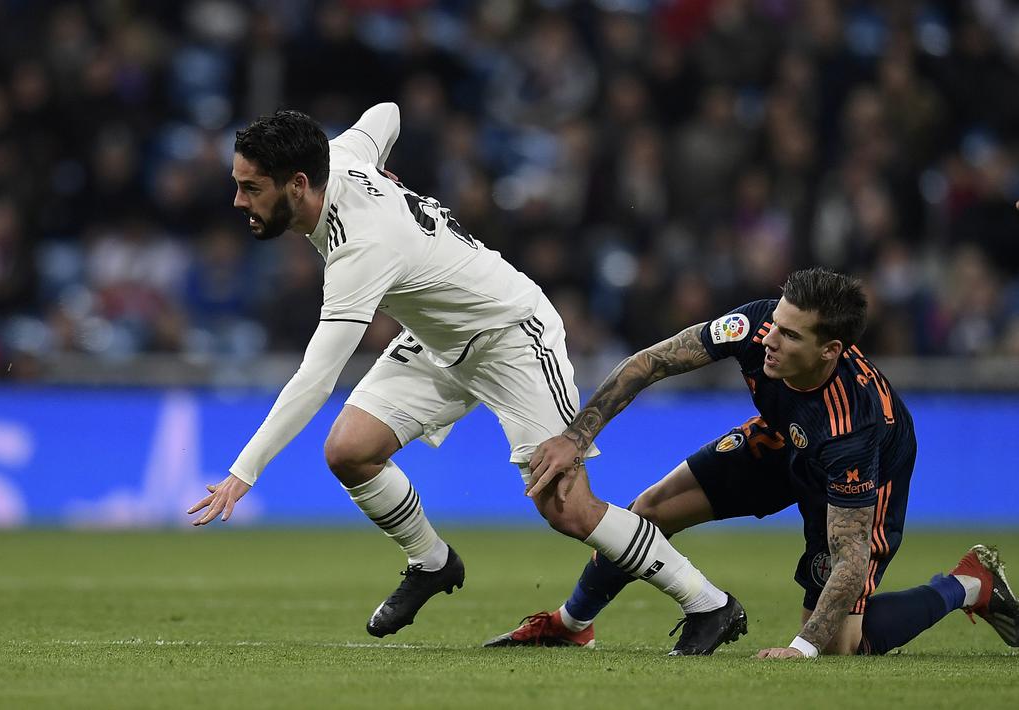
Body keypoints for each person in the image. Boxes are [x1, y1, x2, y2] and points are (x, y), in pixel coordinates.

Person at [186, 103, 747, 654]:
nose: (239, 200)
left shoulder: (361, 245)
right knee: (350, 450)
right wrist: (376, 164)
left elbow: (315, 379)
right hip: (437, 338)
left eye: (251, 188)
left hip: (511, 336)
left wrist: (244, 472)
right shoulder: (344, 155)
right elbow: (386, 112)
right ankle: (430, 563)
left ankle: (708, 603)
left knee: (567, 508)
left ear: (299, 183)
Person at [485, 268, 1019, 657]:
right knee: (650, 509)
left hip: (856, 477)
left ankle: (969, 585)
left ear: (830, 350)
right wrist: (578, 436)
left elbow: (851, 556)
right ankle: (573, 622)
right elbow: (650, 362)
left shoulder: (851, 426)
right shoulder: (755, 325)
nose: (770, 338)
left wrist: (801, 649)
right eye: (776, 321)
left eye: (790, 334)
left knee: (840, 647)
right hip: (782, 436)